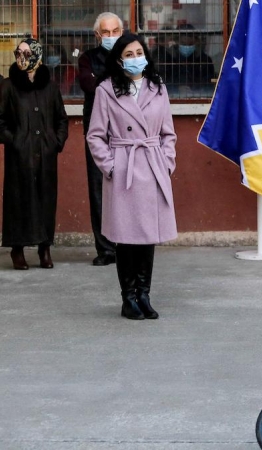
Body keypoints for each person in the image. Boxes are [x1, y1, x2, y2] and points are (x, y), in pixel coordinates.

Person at [86, 33, 177, 320]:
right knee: (126, 238)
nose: (136, 58)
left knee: (147, 236)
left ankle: (144, 294)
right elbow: (95, 136)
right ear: (119, 59)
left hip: (151, 166)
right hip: (124, 168)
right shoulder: (106, 91)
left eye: (140, 52)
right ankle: (128, 298)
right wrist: (111, 166)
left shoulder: (157, 88)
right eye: (129, 54)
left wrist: (166, 162)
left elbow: (168, 133)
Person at [0, 38, 69, 270]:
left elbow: (61, 118)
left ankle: (44, 248)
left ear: (37, 55)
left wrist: (56, 143)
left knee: (45, 200)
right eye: (18, 52)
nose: (21, 56)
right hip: (19, 156)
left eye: (27, 52)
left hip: (46, 156)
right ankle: (17, 249)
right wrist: (15, 142)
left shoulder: (50, 87)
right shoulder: (8, 86)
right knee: (18, 201)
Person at [79, 12, 124, 266]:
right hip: (97, 132)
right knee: (98, 189)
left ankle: (127, 244)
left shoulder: (131, 55)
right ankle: (105, 249)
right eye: (105, 33)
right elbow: (89, 86)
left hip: (127, 132)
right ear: (98, 35)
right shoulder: (87, 58)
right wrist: (117, 83)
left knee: (126, 186)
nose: (110, 36)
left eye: (115, 31)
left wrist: (103, 82)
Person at [159, 23, 215, 96]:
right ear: (176, 41)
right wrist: (177, 88)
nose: (187, 47)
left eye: (190, 44)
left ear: (196, 41)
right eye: (183, 44)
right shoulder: (167, 59)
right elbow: (161, 83)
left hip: (199, 99)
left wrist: (195, 91)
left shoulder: (205, 60)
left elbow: (209, 85)